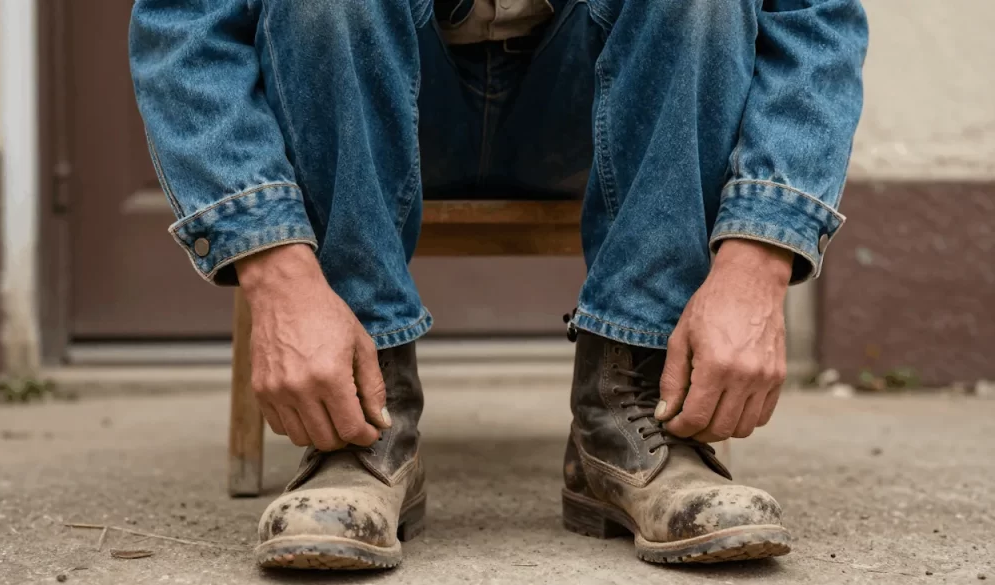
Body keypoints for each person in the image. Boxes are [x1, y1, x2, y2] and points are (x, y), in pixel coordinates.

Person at [129, 0, 868, 570]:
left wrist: (757, 255)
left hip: (606, 101)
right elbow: (185, 25)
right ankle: (358, 423)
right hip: (374, 96)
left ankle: (632, 405)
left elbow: (813, 17)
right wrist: (277, 271)